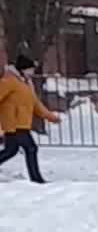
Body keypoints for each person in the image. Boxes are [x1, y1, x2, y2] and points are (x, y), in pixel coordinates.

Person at [0, 54, 61, 183]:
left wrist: (51, 117)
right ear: (23, 69)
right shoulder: (9, 81)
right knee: (31, 148)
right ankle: (36, 178)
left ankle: (36, 178)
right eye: (30, 70)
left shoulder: (27, 84)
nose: (32, 72)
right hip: (14, 123)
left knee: (10, 151)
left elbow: (35, 104)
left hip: (21, 123)